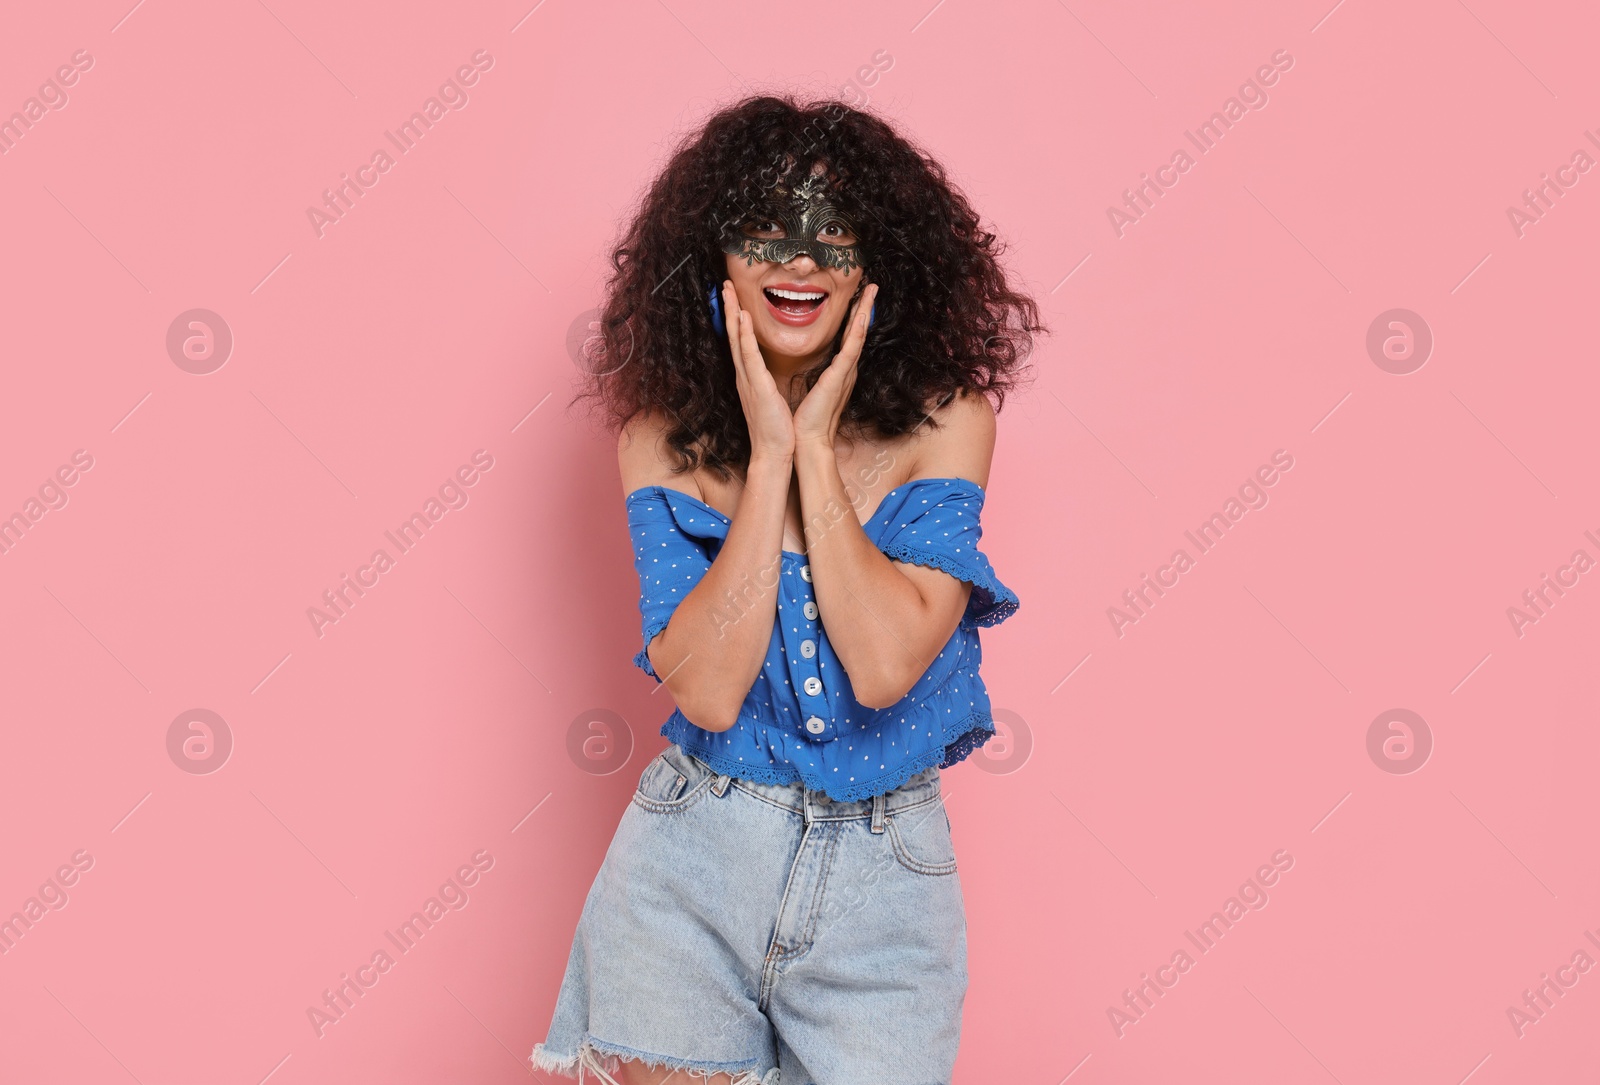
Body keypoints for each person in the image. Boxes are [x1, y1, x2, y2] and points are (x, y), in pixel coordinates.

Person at [532, 94, 1042, 1085]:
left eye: (831, 232)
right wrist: (769, 462)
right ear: (713, 259)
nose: (797, 258)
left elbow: (888, 661)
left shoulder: (948, 421)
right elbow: (710, 688)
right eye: (762, 229)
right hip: (691, 859)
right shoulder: (659, 436)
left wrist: (814, 443)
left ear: (879, 258)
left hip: (885, 880)